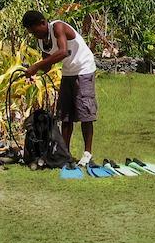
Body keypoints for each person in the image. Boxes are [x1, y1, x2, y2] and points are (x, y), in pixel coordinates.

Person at [22, 10, 98, 166]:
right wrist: (33, 74)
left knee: (85, 113)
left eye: (36, 31)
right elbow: (47, 65)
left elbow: (63, 52)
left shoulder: (58, 27)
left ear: (43, 23)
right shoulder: (42, 41)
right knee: (65, 115)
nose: (36, 35)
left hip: (83, 69)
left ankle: (87, 154)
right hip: (68, 72)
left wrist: (36, 66)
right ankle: (65, 154)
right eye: (32, 33)